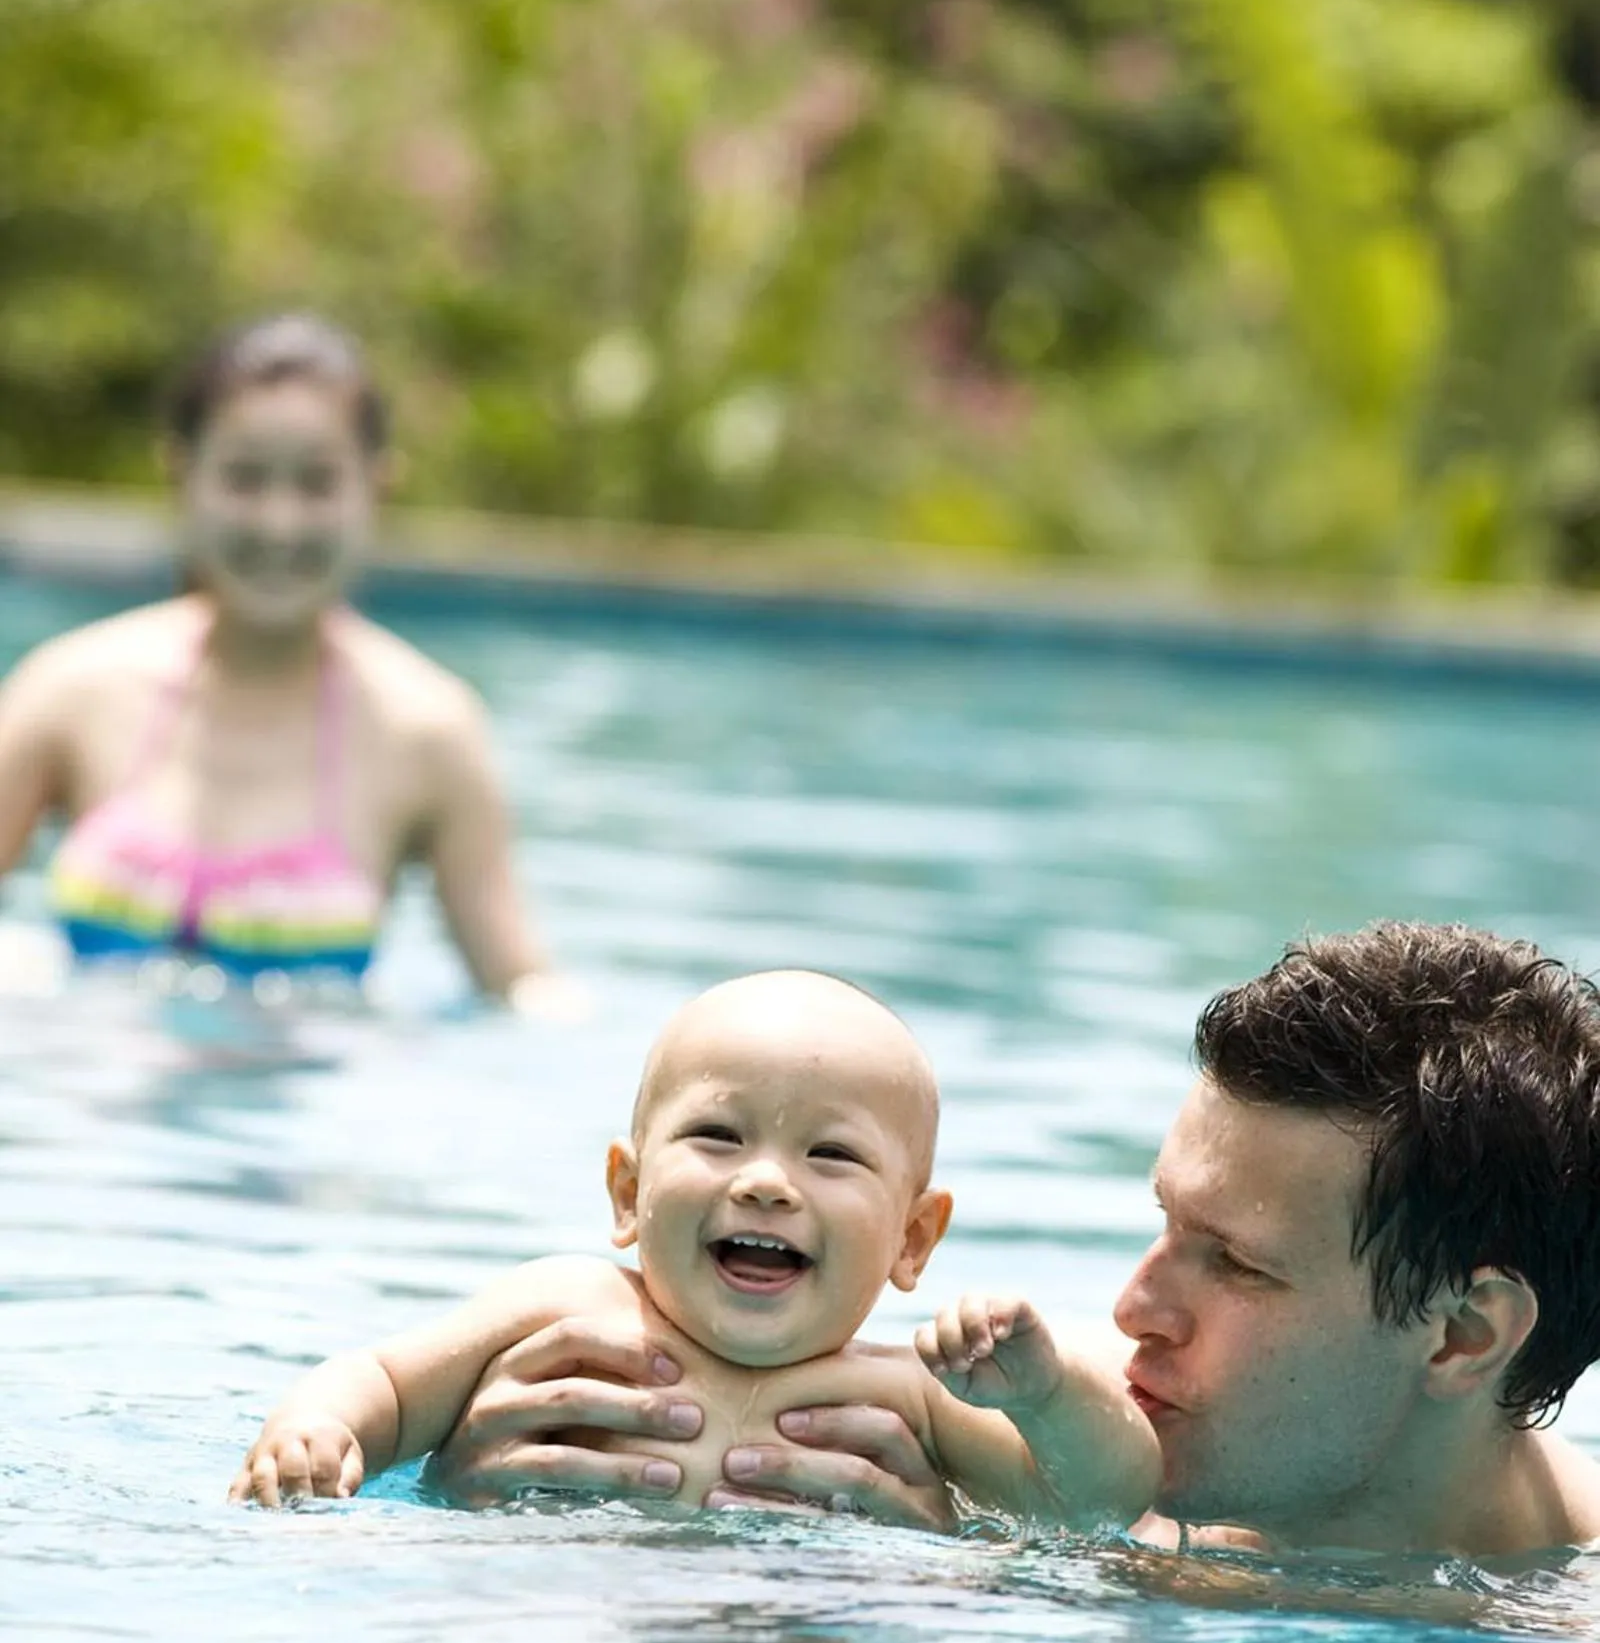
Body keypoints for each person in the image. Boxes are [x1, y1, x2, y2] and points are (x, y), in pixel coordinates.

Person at [431, 923, 1600, 1559]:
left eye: (1236, 1263)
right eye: (1162, 1225)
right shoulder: (1041, 1454)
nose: (1136, 1305)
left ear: (1459, 1333)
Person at [230, 969, 1157, 1523]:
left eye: (830, 1154)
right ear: (628, 1193)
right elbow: (387, 1382)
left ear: (913, 1240)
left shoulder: (913, 1393)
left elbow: (1097, 1506)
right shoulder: (568, 1305)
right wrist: (318, 1429)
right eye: (717, 1136)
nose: (765, 1181)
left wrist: (1048, 1396)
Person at [0, 312, 566, 1005]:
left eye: (317, 484)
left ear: (376, 489)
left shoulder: (428, 731)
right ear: (183, 475)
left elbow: (520, 990)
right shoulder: (70, 689)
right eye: (244, 479)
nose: (279, 523)